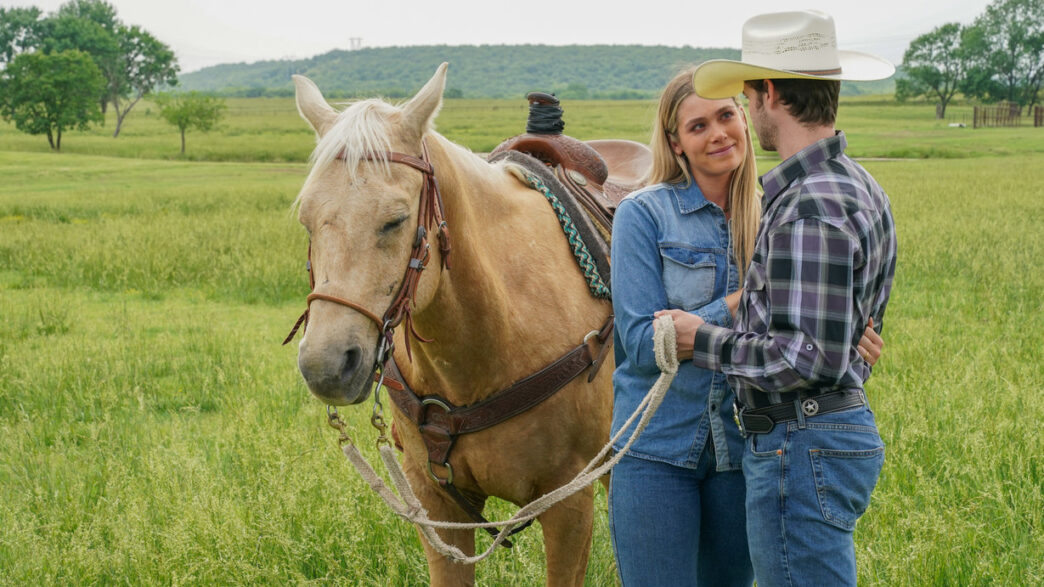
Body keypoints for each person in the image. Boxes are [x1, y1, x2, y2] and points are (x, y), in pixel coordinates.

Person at [608, 64, 884, 586]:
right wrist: (738, 303)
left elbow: (807, 335)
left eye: (726, 115)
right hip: (656, 449)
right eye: (697, 126)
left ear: (746, 114)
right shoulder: (643, 216)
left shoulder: (777, 213)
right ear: (676, 142)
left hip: (746, 448)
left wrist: (848, 334)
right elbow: (643, 343)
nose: (718, 134)